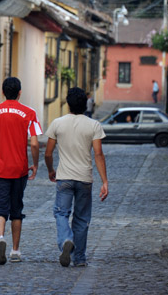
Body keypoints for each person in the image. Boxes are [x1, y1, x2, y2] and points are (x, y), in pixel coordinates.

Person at [44, 87, 108, 267]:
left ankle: (65, 239)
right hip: (85, 178)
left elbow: (48, 153)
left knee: (61, 213)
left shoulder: (57, 123)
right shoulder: (93, 125)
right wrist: (104, 181)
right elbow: (98, 154)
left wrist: (50, 170)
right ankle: (79, 258)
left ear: (68, 104)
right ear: (84, 104)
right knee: (81, 218)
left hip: (64, 177)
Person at [0, 77, 42, 265]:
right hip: (19, 168)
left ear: (3, 92)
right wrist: (35, 164)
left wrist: (1, 145)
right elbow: (34, 143)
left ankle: (1, 238)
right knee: (17, 209)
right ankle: (15, 251)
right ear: (19, 92)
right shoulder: (29, 113)